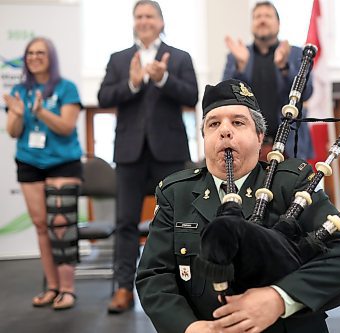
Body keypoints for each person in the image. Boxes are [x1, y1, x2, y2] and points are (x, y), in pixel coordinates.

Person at [136, 79, 340, 333]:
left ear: (260, 138)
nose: (225, 131)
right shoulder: (176, 192)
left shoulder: (291, 184)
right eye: (213, 124)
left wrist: (279, 298)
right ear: (203, 137)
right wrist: (189, 328)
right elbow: (154, 275)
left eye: (238, 122)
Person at [97, 0, 198, 313]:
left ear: (161, 21)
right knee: (125, 222)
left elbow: (193, 95)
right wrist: (133, 82)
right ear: (133, 21)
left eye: (150, 15)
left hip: (168, 152)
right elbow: (103, 97)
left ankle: (181, 288)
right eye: (139, 16)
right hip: (129, 153)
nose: (144, 21)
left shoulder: (179, 57)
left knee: (177, 222)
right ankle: (123, 290)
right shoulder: (118, 59)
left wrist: (162, 79)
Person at [3, 37, 83, 310]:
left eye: (40, 52)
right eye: (30, 53)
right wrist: (15, 114)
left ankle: (68, 289)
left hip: (63, 162)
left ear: (51, 57)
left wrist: (39, 112)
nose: (34, 57)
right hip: (29, 162)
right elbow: (14, 132)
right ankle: (52, 287)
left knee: (61, 225)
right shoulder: (18, 90)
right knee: (41, 226)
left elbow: (66, 127)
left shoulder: (66, 88)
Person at [222, 1, 314, 161]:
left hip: (290, 144)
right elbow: (225, 97)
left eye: (267, 16)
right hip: (250, 146)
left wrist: (285, 67)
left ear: (278, 23)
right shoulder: (237, 56)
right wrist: (241, 68)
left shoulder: (296, 54)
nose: (262, 20)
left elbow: (306, 93)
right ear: (252, 24)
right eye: (257, 16)